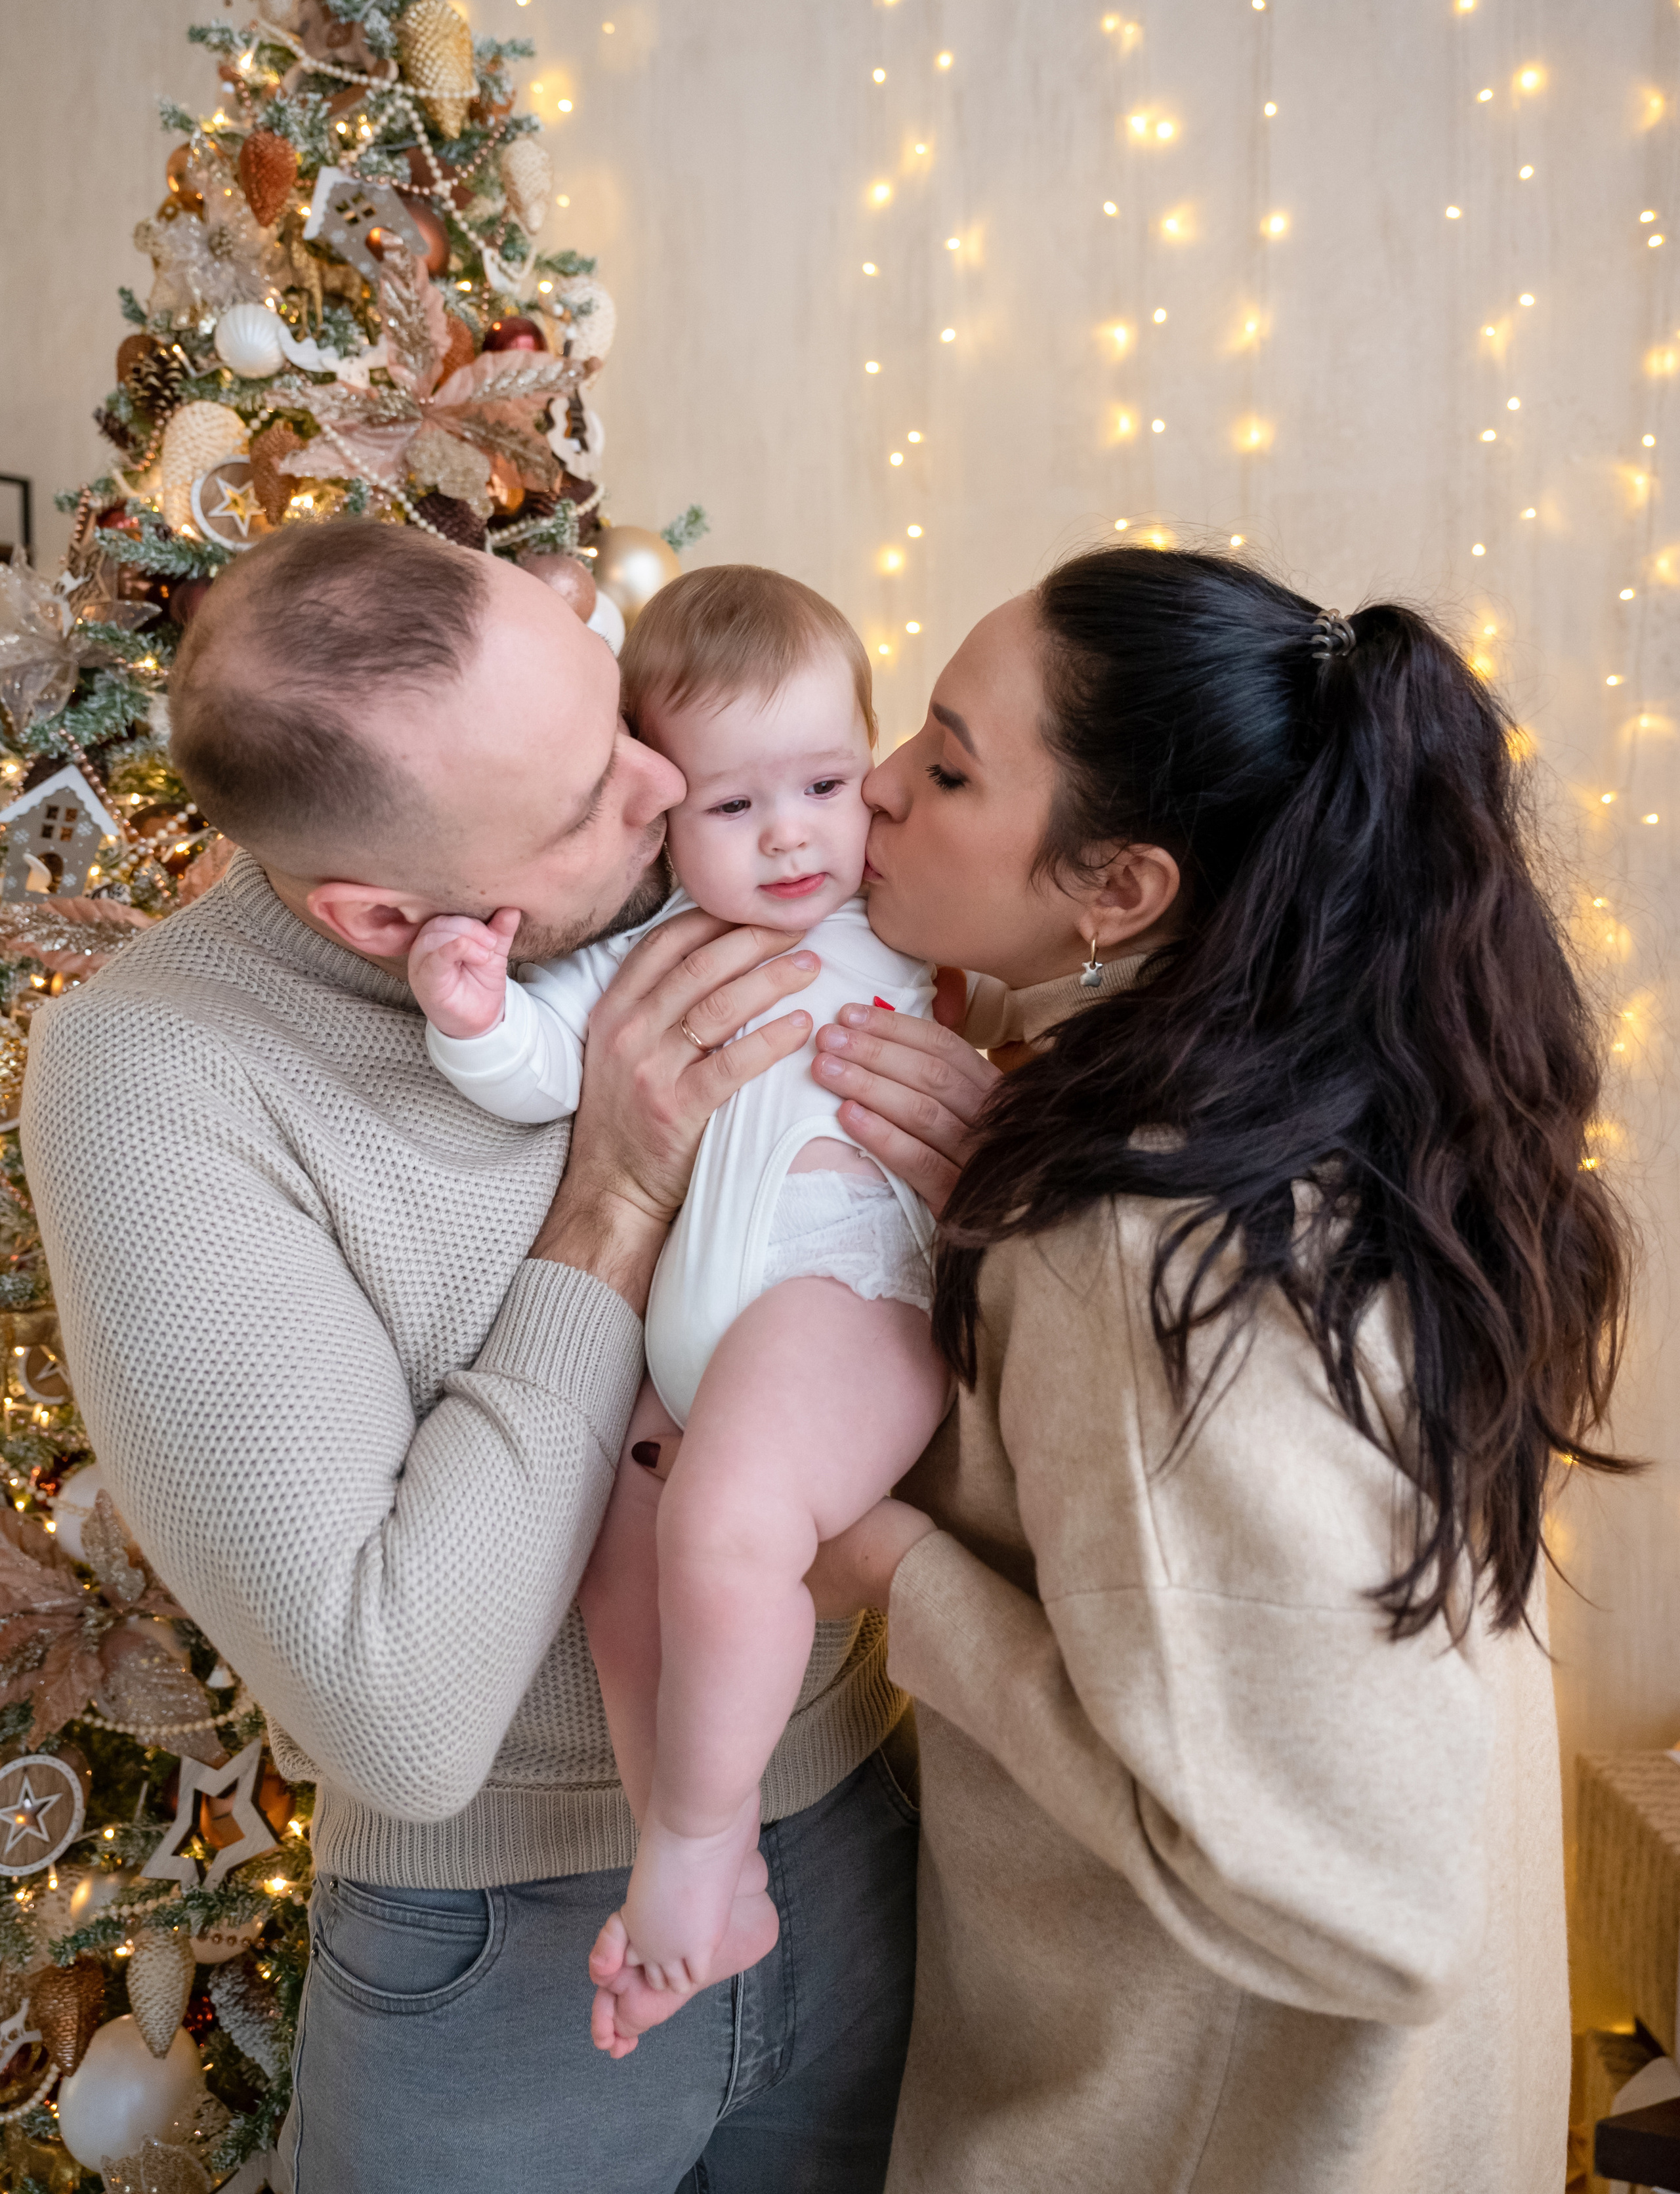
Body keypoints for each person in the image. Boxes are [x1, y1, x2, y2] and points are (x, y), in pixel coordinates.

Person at [21, 519, 922, 2194]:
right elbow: (401, 1716)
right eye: (591, 800)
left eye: (614, 710)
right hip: (504, 1955)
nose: (668, 786)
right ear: (384, 916)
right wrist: (615, 1195)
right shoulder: (156, 1078)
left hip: (869, 1836)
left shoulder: (701, 836)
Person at [805, 547, 1628, 2193]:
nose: (876, 786)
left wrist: (889, 1563)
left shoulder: (1139, 1236)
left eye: (949, 766)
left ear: (1118, 890)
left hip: (1208, 2129)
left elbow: (1365, 1899)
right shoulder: (1337, 1103)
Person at [406, 566, 948, 2047]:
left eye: (825, 784)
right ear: (658, 809)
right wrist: (473, 1011)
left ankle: (705, 1847)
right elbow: (539, 1067)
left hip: (844, 1300)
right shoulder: (634, 954)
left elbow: (1020, 1030)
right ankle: (697, 1854)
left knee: (724, 1532)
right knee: (614, 1573)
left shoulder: (898, 926)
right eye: (731, 806)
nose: (789, 836)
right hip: (687, 1333)